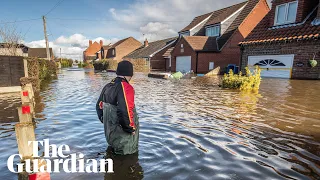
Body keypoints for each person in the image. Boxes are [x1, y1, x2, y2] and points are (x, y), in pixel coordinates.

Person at [96, 60, 139, 155]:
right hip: (123, 138)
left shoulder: (108, 86)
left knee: (112, 155)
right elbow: (125, 110)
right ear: (129, 74)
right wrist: (130, 128)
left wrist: (104, 120)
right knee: (127, 160)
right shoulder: (126, 87)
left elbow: (99, 106)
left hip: (110, 134)